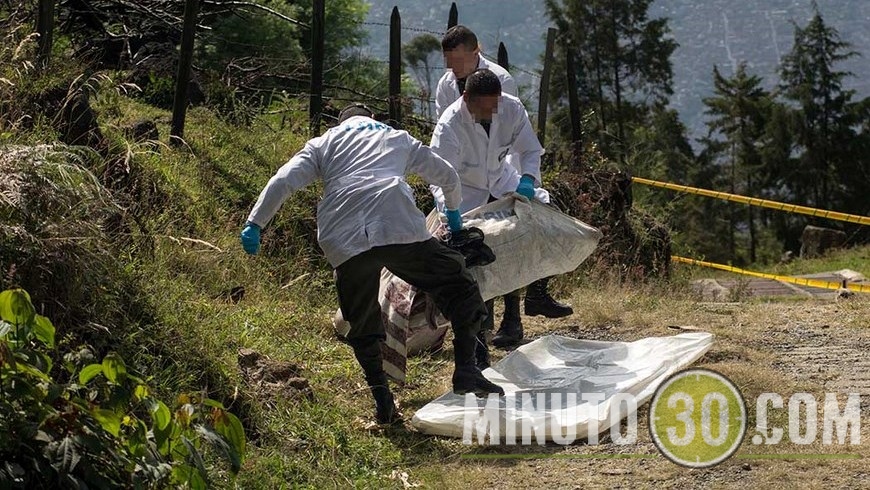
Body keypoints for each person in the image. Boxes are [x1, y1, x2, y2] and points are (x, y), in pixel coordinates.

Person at [240, 103, 503, 425]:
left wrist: (256, 223)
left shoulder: (322, 143)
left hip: (344, 236)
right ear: (372, 119)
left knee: (361, 321)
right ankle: (466, 371)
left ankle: (383, 404)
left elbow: (283, 181)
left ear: (340, 123)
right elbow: (447, 175)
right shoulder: (396, 137)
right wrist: (452, 215)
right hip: (397, 225)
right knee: (459, 285)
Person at [430, 68, 573, 364]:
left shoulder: (510, 107)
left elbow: (530, 150)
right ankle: (478, 342)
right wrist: (452, 213)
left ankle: (535, 294)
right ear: (466, 98)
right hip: (466, 193)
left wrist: (528, 179)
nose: (491, 113)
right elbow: (441, 176)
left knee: (543, 217)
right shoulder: (449, 125)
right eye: (484, 108)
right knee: (478, 261)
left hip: (504, 181)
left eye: (494, 106)